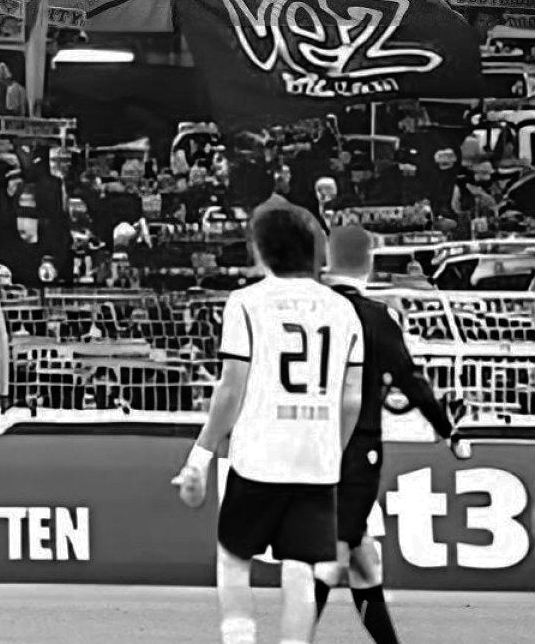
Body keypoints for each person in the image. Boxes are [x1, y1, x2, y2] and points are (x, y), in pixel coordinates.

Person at [172, 201, 361, 644]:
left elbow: (231, 389)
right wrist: (333, 451)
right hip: (317, 463)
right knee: (300, 569)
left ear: (260, 249)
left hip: (259, 455)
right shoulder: (343, 310)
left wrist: (199, 457)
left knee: (233, 559)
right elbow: (351, 398)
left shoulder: (246, 303)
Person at [315, 224, 466, 644]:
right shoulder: (376, 317)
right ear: (368, 264)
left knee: (363, 561)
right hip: (357, 448)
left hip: (309, 441)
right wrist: (448, 432)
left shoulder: (312, 312)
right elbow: (410, 380)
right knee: (337, 552)